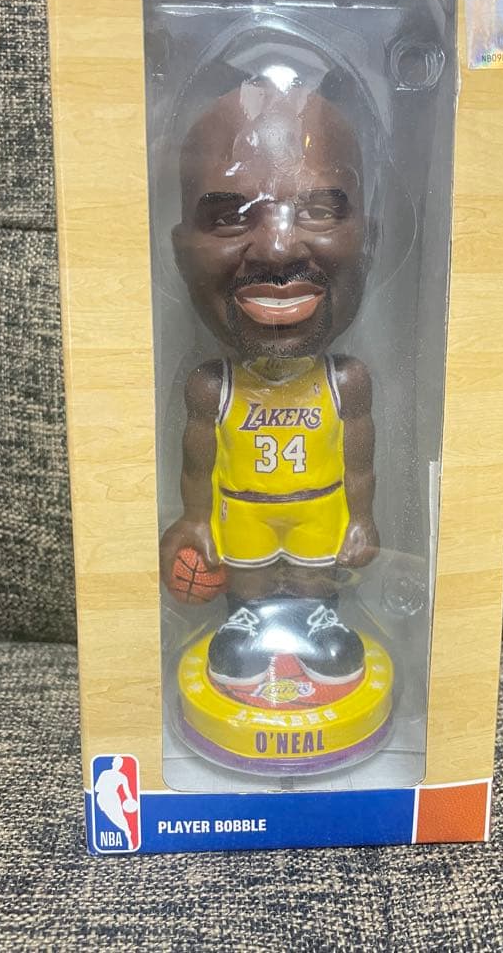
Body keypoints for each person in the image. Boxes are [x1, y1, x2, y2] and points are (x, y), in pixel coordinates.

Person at [160, 67, 379, 689]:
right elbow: (197, 468)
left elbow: (360, 467)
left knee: (314, 574)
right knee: (250, 574)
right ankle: (248, 618)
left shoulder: (347, 382)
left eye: (317, 211)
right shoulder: (212, 387)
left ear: (372, 238)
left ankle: (316, 617)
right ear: (179, 250)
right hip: (245, 514)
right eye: (230, 217)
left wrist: (362, 519)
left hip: (317, 510)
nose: (278, 249)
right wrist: (195, 521)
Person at [94, 756, 135, 849]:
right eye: (116, 762)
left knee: (119, 817)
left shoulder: (121, 777)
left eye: (118, 763)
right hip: (103, 798)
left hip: (112, 798)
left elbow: (127, 791)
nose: (117, 764)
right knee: (114, 817)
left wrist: (131, 800)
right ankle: (127, 833)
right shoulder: (105, 773)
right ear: (113, 763)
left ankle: (128, 836)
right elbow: (96, 788)